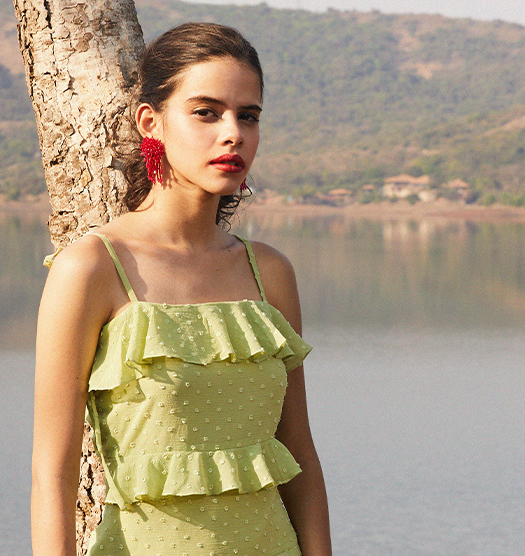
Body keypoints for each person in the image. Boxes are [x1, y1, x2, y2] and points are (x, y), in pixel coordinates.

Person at [30, 23, 331, 555]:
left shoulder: (269, 272)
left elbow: (299, 452)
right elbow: (52, 473)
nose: (233, 133)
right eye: (206, 112)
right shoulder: (92, 268)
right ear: (152, 122)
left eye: (249, 116)